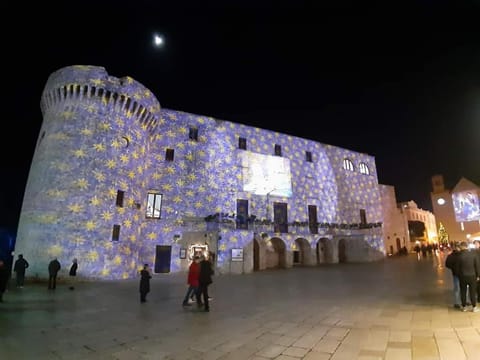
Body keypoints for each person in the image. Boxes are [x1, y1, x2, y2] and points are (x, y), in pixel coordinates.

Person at [457, 241, 479, 312]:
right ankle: (474, 307)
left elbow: (457, 267)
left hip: (462, 276)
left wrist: (459, 275)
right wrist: (478, 275)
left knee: (463, 291)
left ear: (461, 247)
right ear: (467, 246)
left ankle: (464, 307)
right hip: (472, 276)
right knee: (472, 292)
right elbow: (477, 266)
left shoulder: (459, 256)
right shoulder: (473, 254)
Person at [445, 243, 463, 309]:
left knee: (457, 288)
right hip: (462, 274)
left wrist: (453, 267)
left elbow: (447, 264)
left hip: (456, 274)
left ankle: (457, 302)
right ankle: (464, 301)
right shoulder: (462, 254)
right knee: (463, 288)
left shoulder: (451, 255)